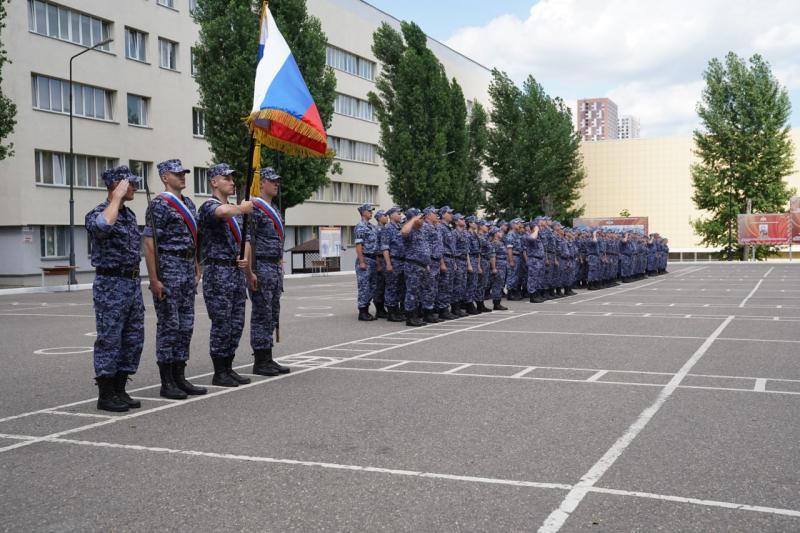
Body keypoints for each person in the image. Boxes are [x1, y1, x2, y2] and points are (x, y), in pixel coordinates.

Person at [143, 159, 207, 400]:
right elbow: (149, 244)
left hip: (186, 267)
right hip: (168, 268)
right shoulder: (159, 205)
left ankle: (180, 376)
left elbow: (193, 238)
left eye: (184, 173)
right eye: (177, 174)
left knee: (186, 325)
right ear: (164, 177)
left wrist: (196, 264)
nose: (183, 177)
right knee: (169, 325)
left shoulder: (188, 203)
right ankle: (167, 380)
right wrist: (153, 278)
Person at [85, 165, 145, 412]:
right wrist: (117, 198)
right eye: (129, 183)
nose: (134, 187)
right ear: (116, 185)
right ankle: (106, 394)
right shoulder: (98, 213)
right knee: (110, 339)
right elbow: (102, 228)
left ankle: (120, 388)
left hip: (131, 282)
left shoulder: (130, 216)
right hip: (110, 284)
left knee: (133, 339)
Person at [197, 163, 253, 387]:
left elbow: (245, 238)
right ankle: (219, 371)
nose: (231, 182)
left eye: (233, 178)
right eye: (226, 178)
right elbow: (222, 212)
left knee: (236, 322)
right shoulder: (209, 206)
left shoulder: (235, 210)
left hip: (235, 270)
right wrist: (242, 208)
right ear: (214, 182)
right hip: (218, 272)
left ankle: (229, 367)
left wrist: (245, 258)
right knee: (221, 322)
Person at [245, 167, 290, 376]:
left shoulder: (275, 210)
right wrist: (251, 270)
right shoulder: (255, 207)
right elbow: (249, 240)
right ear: (261, 183)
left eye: (277, 181)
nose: (276, 184)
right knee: (261, 313)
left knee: (272, 313)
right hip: (261, 265)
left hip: (273, 265)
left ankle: (268, 357)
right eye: (272, 181)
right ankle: (260, 360)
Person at [381, 206, 406, 322]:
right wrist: (388, 263)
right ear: (391, 215)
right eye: (398, 213)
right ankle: (391, 312)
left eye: (400, 213)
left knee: (400, 287)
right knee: (392, 287)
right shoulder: (387, 228)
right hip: (393, 260)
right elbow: (385, 248)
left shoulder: (399, 228)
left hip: (402, 261)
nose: (400, 215)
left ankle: (397, 310)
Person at [354, 203, 378, 321]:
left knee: (372, 287)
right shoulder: (360, 226)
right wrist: (362, 262)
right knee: (364, 286)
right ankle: (362, 311)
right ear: (363, 212)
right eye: (369, 211)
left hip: (373, 259)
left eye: (371, 211)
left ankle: (366, 308)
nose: (371, 212)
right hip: (365, 259)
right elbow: (359, 245)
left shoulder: (372, 227)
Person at [373, 210, 389, 319]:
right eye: (384, 216)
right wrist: (378, 264)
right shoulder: (377, 230)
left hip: (386, 259)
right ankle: (379, 309)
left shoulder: (385, 229)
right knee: (379, 286)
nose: (386, 217)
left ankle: (384, 307)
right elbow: (375, 249)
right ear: (379, 218)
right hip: (380, 259)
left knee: (386, 285)